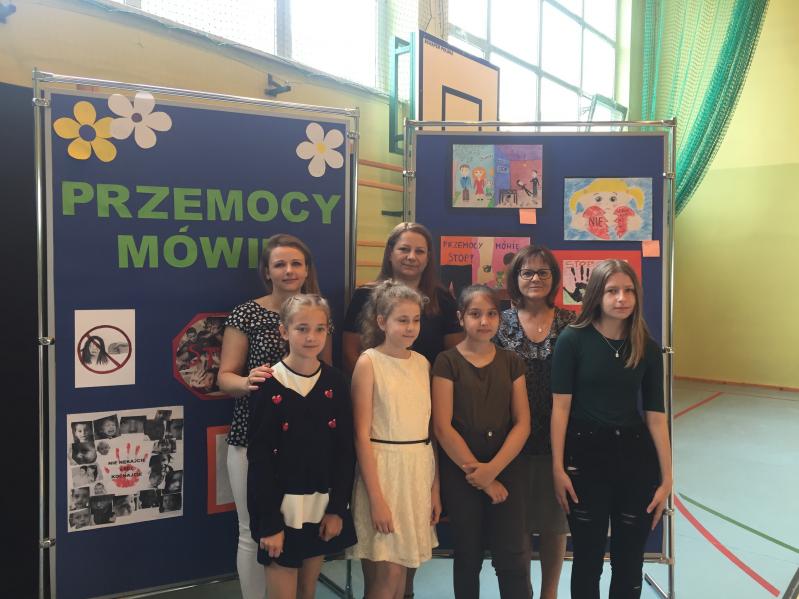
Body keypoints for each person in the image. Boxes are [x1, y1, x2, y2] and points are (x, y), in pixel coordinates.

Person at [551, 259, 672, 598]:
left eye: (628, 291)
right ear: (596, 295)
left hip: (634, 457)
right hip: (584, 457)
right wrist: (557, 468)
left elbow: (656, 416)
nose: (622, 298)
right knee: (587, 558)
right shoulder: (572, 340)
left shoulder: (646, 346)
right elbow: (560, 409)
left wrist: (667, 478)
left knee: (630, 560)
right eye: (612, 291)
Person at [218, 233, 329, 599]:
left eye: (296, 263)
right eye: (280, 264)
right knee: (253, 531)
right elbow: (225, 377)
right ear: (267, 271)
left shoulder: (318, 312)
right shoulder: (246, 313)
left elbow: (326, 376)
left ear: (307, 269)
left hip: (305, 443)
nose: (289, 270)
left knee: (302, 526)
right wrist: (247, 381)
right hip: (251, 438)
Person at [247, 294, 356, 599]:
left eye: (320, 329)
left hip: (319, 505)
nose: (311, 337)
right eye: (302, 328)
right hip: (280, 510)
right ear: (284, 331)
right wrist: (270, 523)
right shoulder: (268, 384)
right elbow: (259, 459)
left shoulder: (336, 382)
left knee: (307, 590)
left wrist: (337, 510)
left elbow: (344, 452)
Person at [432, 285, 531, 599]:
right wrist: (482, 477)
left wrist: (494, 470)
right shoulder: (446, 362)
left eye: (491, 314)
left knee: (513, 554)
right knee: (467, 553)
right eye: (475, 314)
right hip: (462, 471)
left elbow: (522, 423)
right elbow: (443, 427)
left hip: (506, 467)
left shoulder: (511, 361)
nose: (484, 321)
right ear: (461, 318)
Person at [347, 281, 441, 599]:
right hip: (384, 473)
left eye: (416, 320)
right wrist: (376, 499)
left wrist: (434, 488)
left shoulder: (423, 363)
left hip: (417, 472)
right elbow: (361, 435)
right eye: (402, 320)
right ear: (382, 321)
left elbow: (429, 432)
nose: (410, 327)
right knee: (385, 578)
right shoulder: (369, 362)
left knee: (401, 577)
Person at [494, 245, 576, 599]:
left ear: (554, 278)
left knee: (555, 523)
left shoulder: (570, 322)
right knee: (520, 523)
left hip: (559, 437)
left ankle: (549, 593)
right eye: (527, 272)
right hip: (511, 438)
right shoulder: (500, 322)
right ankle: (523, 591)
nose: (535, 278)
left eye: (543, 272)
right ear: (515, 279)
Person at [343, 222, 462, 375]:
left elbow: (453, 357)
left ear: (428, 258)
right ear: (390, 253)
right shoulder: (364, 295)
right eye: (404, 249)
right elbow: (350, 354)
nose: (411, 257)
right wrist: (374, 384)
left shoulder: (443, 299)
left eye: (419, 251)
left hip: (428, 386)